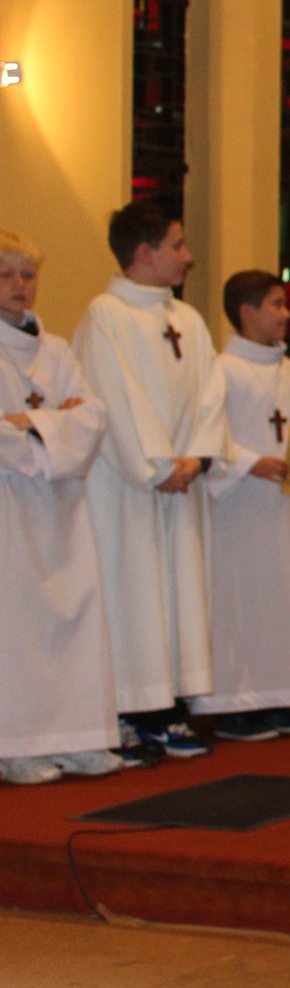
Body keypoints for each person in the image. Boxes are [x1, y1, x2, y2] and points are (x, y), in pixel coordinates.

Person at [72, 198, 229, 761]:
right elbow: (113, 398)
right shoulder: (105, 316)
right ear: (144, 252)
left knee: (178, 593)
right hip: (127, 489)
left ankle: (169, 707)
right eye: (177, 245)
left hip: (178, 483)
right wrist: (158, 467)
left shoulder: (187, 320)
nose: (187, 257)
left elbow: (212, 394)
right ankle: (128, 713)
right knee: (131, 592)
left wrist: (197, 458)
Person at [0, 229, 124, 784]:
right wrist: (55, 424)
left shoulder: (55, 351)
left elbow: (94, 417)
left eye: (27, 274)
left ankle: (78, 737)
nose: (19, 285)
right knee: (17, 626)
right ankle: (15, 745)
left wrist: (30, 423)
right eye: (6, 274)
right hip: (9, 507)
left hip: (61, 509)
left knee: (72, 620)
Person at [190, 271, 290, 743]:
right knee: (238, 604)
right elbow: (206, 432)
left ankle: (278, 696)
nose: (286, 313)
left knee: (283, 604)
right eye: (276, 304)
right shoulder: (221, 370)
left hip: (284, 511)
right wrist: (249, 462)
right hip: (237, 511)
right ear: (247, 311)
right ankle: (233, 706)